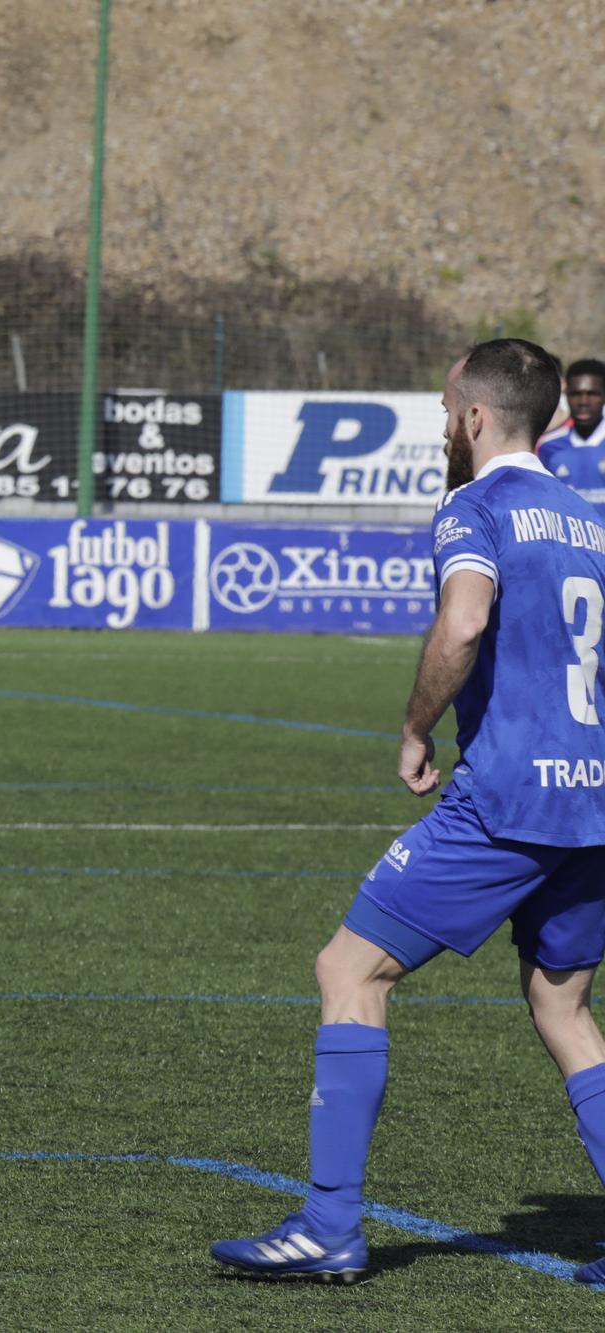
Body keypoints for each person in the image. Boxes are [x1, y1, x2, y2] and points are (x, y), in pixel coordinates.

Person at [211, 339, 605, 1283]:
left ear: (474, 416)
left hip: (507, 797)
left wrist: (414, 725)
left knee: (350, 968)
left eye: (444, 407)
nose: (441, 421)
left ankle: (330, 1225)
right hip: (594, 802)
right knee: (563, 1006)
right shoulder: (588, 516)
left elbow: (464, 618)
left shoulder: (476, 507)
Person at [536, 357, 605, 514]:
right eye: (576, 394)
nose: (584, 402)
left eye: (593, 394)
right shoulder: (549, 448)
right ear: (566, 395)